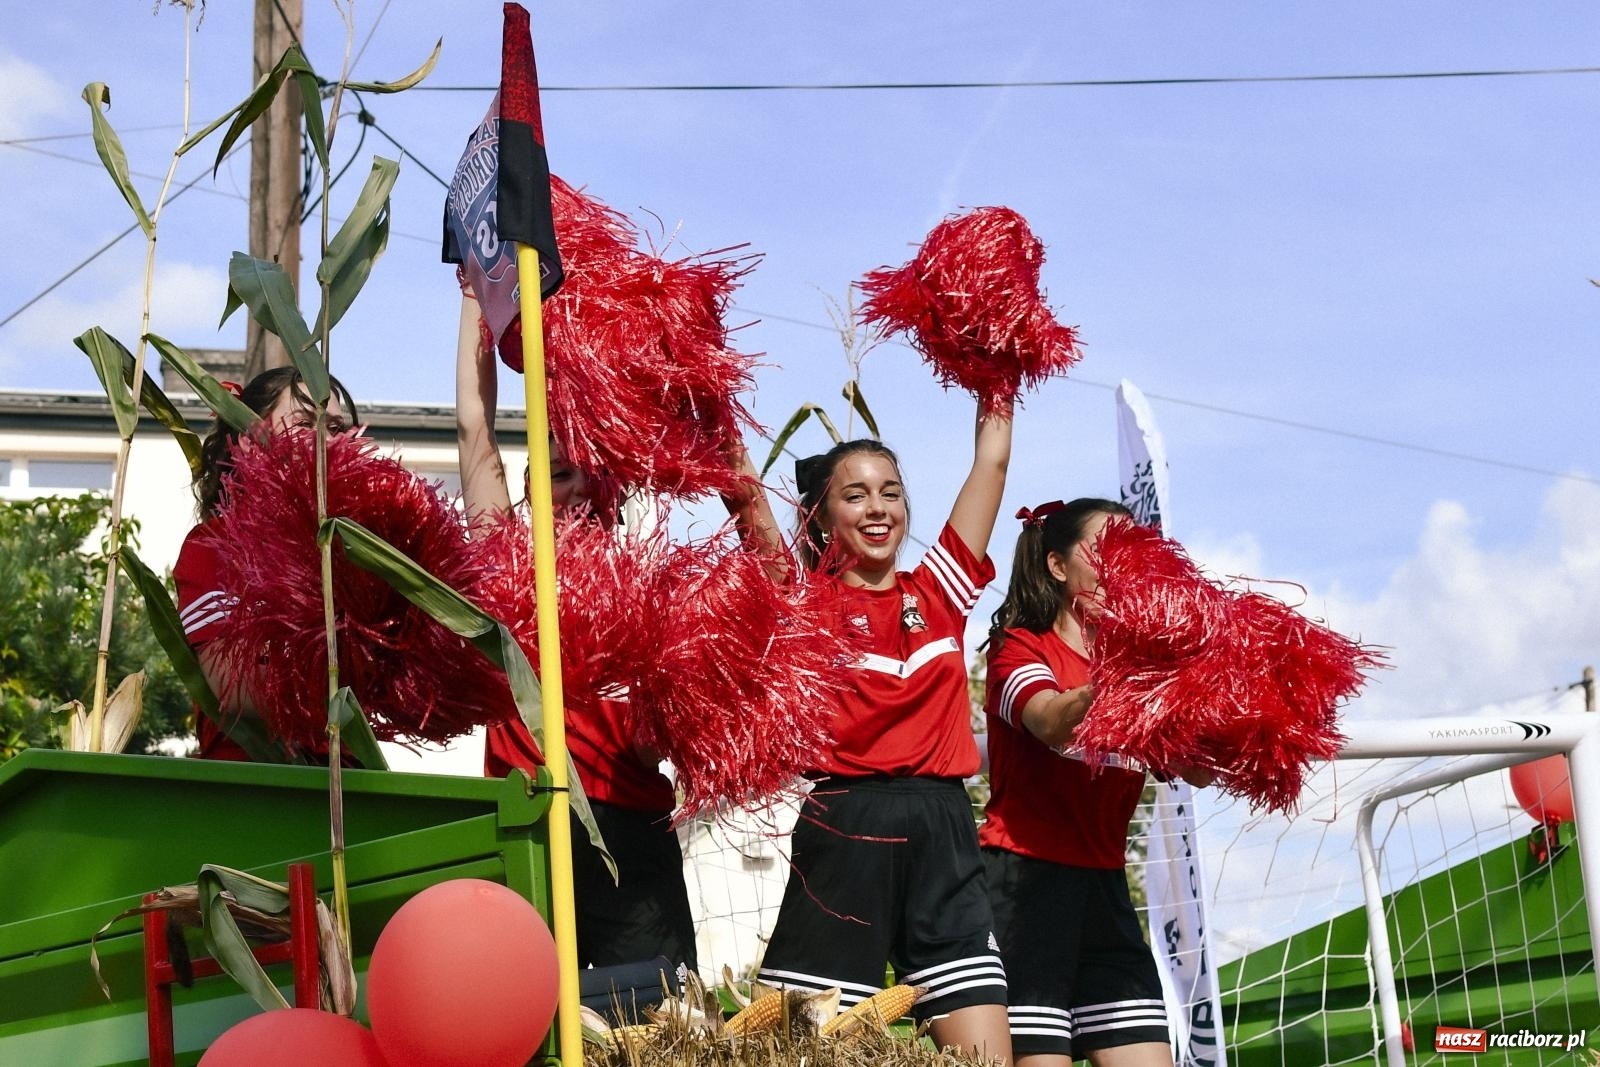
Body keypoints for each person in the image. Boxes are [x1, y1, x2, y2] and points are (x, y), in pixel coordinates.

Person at [454, 292, 783, 975]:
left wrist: (721, 435)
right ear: (525, 479)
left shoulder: (652, 577)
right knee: (527, 1021)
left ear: (612, 477)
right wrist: (476, 298)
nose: (563, 462)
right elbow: (473, 430)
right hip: (526, 818)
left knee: (649, 1024)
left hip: (629, 833)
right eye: (548, 454)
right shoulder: (503, 555)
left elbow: (774, 578)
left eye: (580, 454)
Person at [755, 400, 1014, 1065]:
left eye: (890, 492)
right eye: (856, 494)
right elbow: (742, 501)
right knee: (803, 1052)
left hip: (946, 829)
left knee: (986, 1057)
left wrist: (999, 372)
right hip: (847, 826)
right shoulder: (802, 602)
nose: (878, 507)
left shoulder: (942, 592)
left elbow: (992, 458)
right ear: (821, 516)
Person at [981, 498, 1211, 1067]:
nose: (1120, 568)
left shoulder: (1146, 670)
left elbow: (1201, 770)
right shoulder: (1022, 647)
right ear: (1058, 567)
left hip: (1105, 892)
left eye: (1132, 554)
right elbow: (1051, 721)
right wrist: (1122, 687)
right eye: (1104, 551)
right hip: (1023, 891)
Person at [173, 367, 360, 761]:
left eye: (338, 430)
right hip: (253, 793)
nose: (328, 442)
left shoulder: (356, 550)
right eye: (306, 424)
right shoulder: (215, 546)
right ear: (250, 443)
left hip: (351, 788)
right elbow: (235, 686)